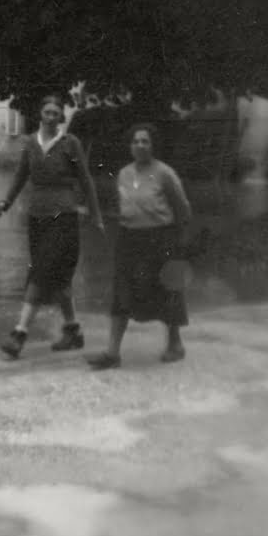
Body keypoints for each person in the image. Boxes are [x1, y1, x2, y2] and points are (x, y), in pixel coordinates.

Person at [0, 94, 105, 358]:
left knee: (40, 273)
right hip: (36, 217)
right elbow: (21, 175)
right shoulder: (31, 143)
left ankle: (19, 333)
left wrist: (96, 214)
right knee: (57, 280)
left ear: (61, 118)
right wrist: (5, 202)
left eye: (57, 113)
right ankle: (73, 331)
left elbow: (86, 180)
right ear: (40, 115)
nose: (52, 117)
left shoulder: (70, 143)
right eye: (48, 113)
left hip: (64, 217)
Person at [87, 123, 192, 370]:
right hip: (129, 240)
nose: (140, 146)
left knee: (168, 291)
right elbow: (123, 206)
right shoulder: (123, 173)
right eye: (136, 141)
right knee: (121, 292)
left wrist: (177, 240)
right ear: (130, 145)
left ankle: (175, 344)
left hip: (160, 239)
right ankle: (112, 353)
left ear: (153, 146)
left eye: (145, 141)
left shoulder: (165, 173)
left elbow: (183, 209)